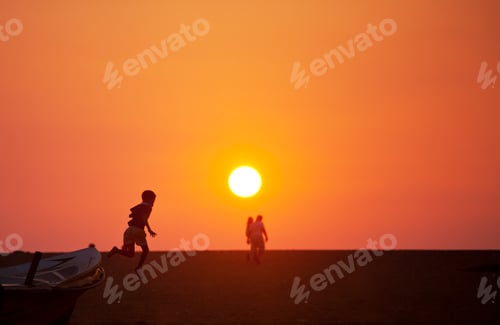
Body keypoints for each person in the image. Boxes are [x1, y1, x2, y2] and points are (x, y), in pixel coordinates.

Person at [108, 190, 157, 270]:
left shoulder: (139, 206)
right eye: (153, 200)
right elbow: (144, 217)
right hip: (138, 230)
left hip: (129, 230)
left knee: (131, 254)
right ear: (149, 199)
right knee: (146, 251)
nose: (153, 202)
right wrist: (149, 229)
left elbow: (130, 215)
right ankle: (139, 267)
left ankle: (116, 250)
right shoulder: (148, 207)